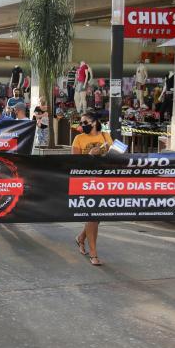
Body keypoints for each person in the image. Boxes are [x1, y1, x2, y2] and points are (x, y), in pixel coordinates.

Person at [72, 111, 112, 266]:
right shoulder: (78, 139)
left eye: (85, 122)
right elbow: (74, 163)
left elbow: (115, 155)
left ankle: (81, 238)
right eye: (81, 123)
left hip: (103, 181)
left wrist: (108, 152)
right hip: (86, 182)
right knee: (92, 215)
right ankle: (93, 253)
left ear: (95, 122)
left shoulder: (105, 136)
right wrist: (89, 155)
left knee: (97, 216)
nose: (82, 126)